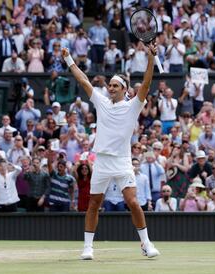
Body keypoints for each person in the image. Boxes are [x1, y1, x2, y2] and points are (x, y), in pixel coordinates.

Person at [62, 43, 160, 259]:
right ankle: (88, 247)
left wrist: (151, 58)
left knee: (133, 202)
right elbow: (83, 80)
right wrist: (69, 60)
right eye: (110, 85)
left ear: (124, 89)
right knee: (94, 203)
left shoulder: (134, 105)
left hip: (123, 161)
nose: (111, 88)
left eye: (116, 85)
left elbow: (147, 82)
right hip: (103, 162)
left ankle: (146, 243)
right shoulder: (101, 102)